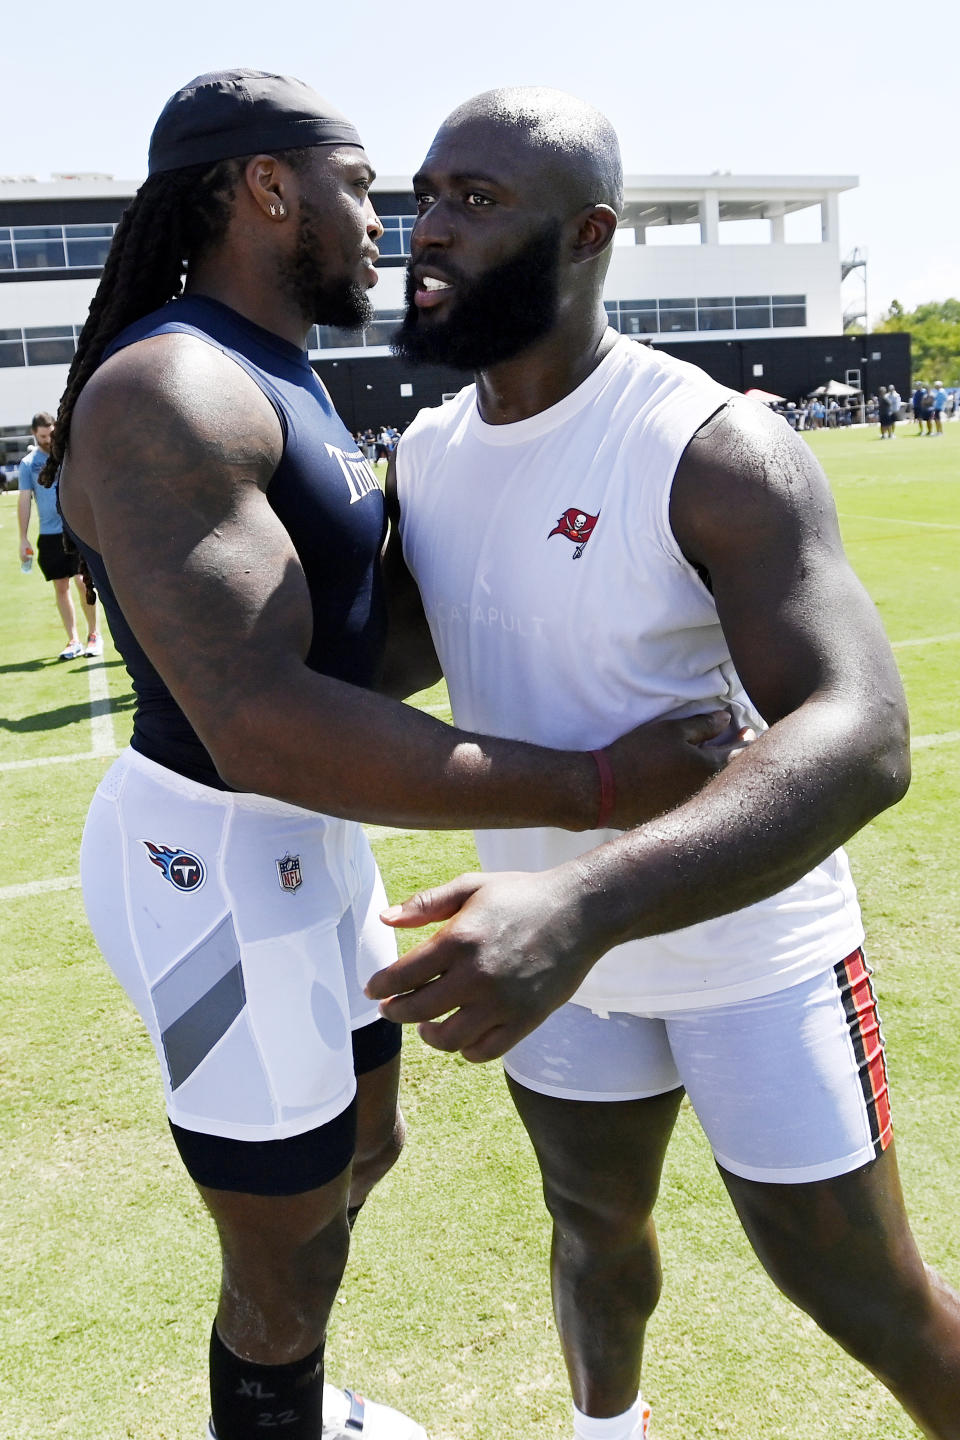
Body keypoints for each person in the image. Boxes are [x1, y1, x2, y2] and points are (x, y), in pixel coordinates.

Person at [48, 70, 741, 1440]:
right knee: (282, 1264)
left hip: (309, 842)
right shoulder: (169, 385)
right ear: (268, 189)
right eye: (367, 188)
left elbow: (346, 652)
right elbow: (263, 717)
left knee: (366, 1144)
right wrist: (595, 782)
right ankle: (273, 1410)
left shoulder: (276, 368)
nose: (396, 222)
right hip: (213, 861)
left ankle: (292, 1402)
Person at [369, 87, 960, 1440]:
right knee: (593, 1240)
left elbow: (863, 735)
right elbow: (367, 676)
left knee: (861, 1293)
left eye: (475, 200)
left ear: (586, 235)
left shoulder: (706, 443)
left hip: (743, 947)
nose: (428, 231)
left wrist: (584, 902)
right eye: (424, 196)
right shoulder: (432, 452)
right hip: (556, 954)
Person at [17, 411, 102, 659]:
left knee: (81, 581)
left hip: (74, 529)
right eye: (42, 436)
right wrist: (23, 538)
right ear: (35, 434)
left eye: (50, 434)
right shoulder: (28, 464)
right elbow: (24, 501)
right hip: (49, 534)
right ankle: (73, 639)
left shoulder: (67, 454)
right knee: (61, 585)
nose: (47, 440)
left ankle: (94, 635)